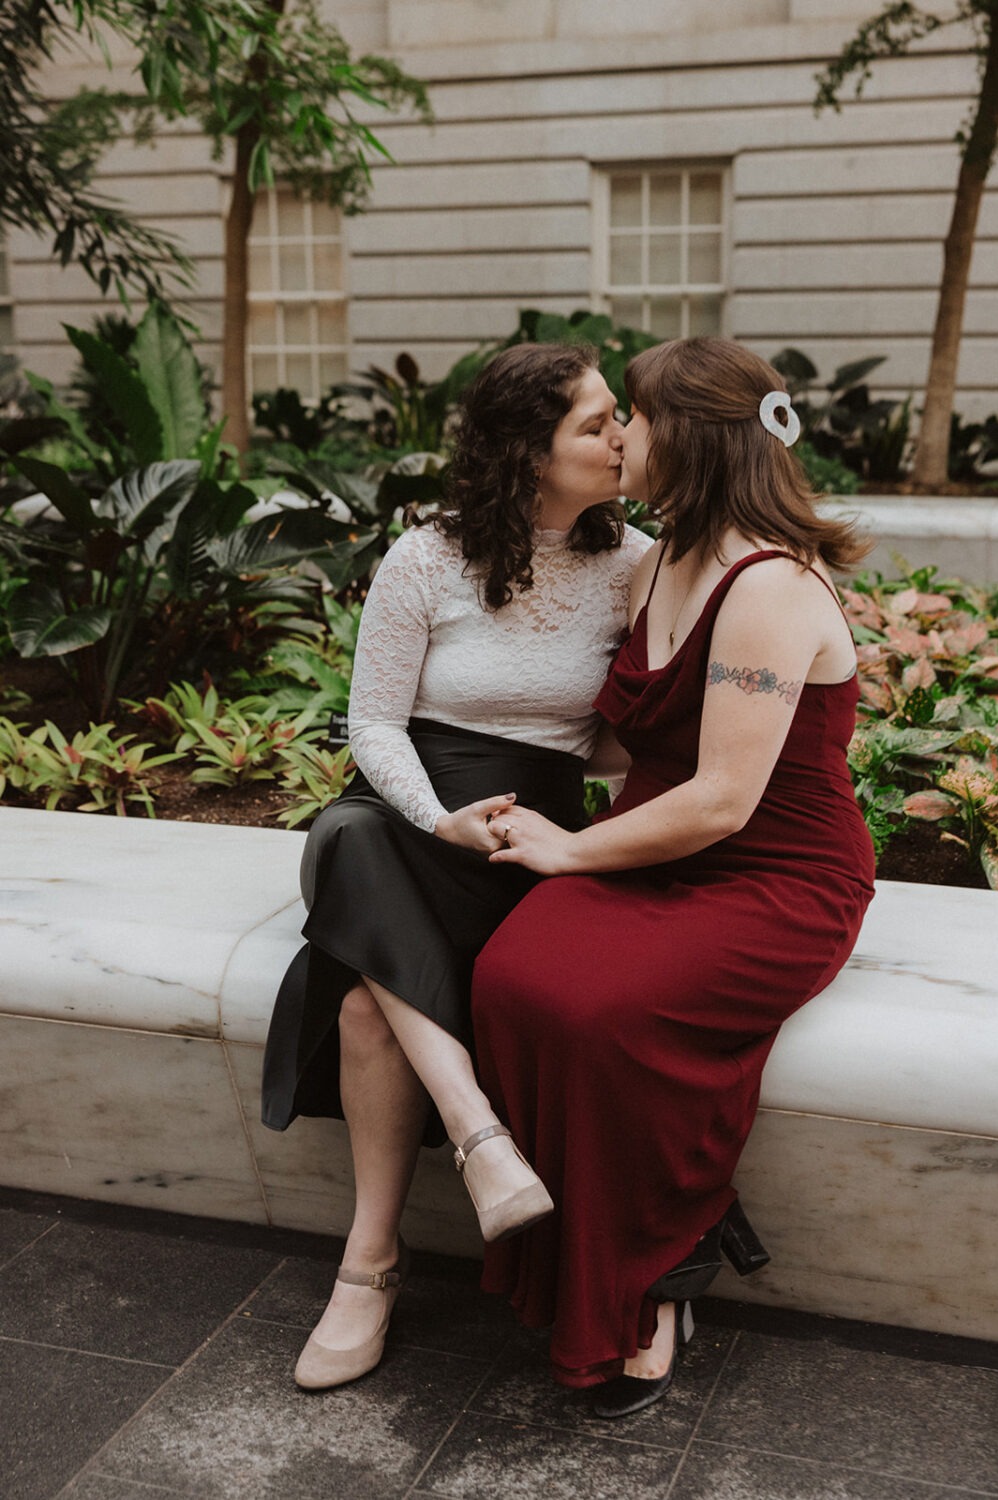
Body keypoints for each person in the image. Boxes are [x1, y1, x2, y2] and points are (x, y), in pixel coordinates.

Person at [471, 335, 876, 1418]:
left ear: (683, 435)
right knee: (512, 978)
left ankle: (661, 1263)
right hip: (654, 845)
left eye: (629, 419)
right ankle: (592, 1254)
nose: (616, 436)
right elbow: (623, 743)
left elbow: (720, 800)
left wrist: (564, 848)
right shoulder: (653, 561)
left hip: (775, 876)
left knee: (601, 1011)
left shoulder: (770, 588)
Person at [261, 342, 652, 1390]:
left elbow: (619, 740)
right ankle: (469, 1145)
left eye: (618, 418)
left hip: (535, 832)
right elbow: (374, 726)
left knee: (361, 1012)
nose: (621, 437)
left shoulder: (635, 563)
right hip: (411, 817)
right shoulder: (424, 556)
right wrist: (439, 820)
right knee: (344, 834)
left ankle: (374, 1258)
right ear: (528, 451)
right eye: (595, 423)